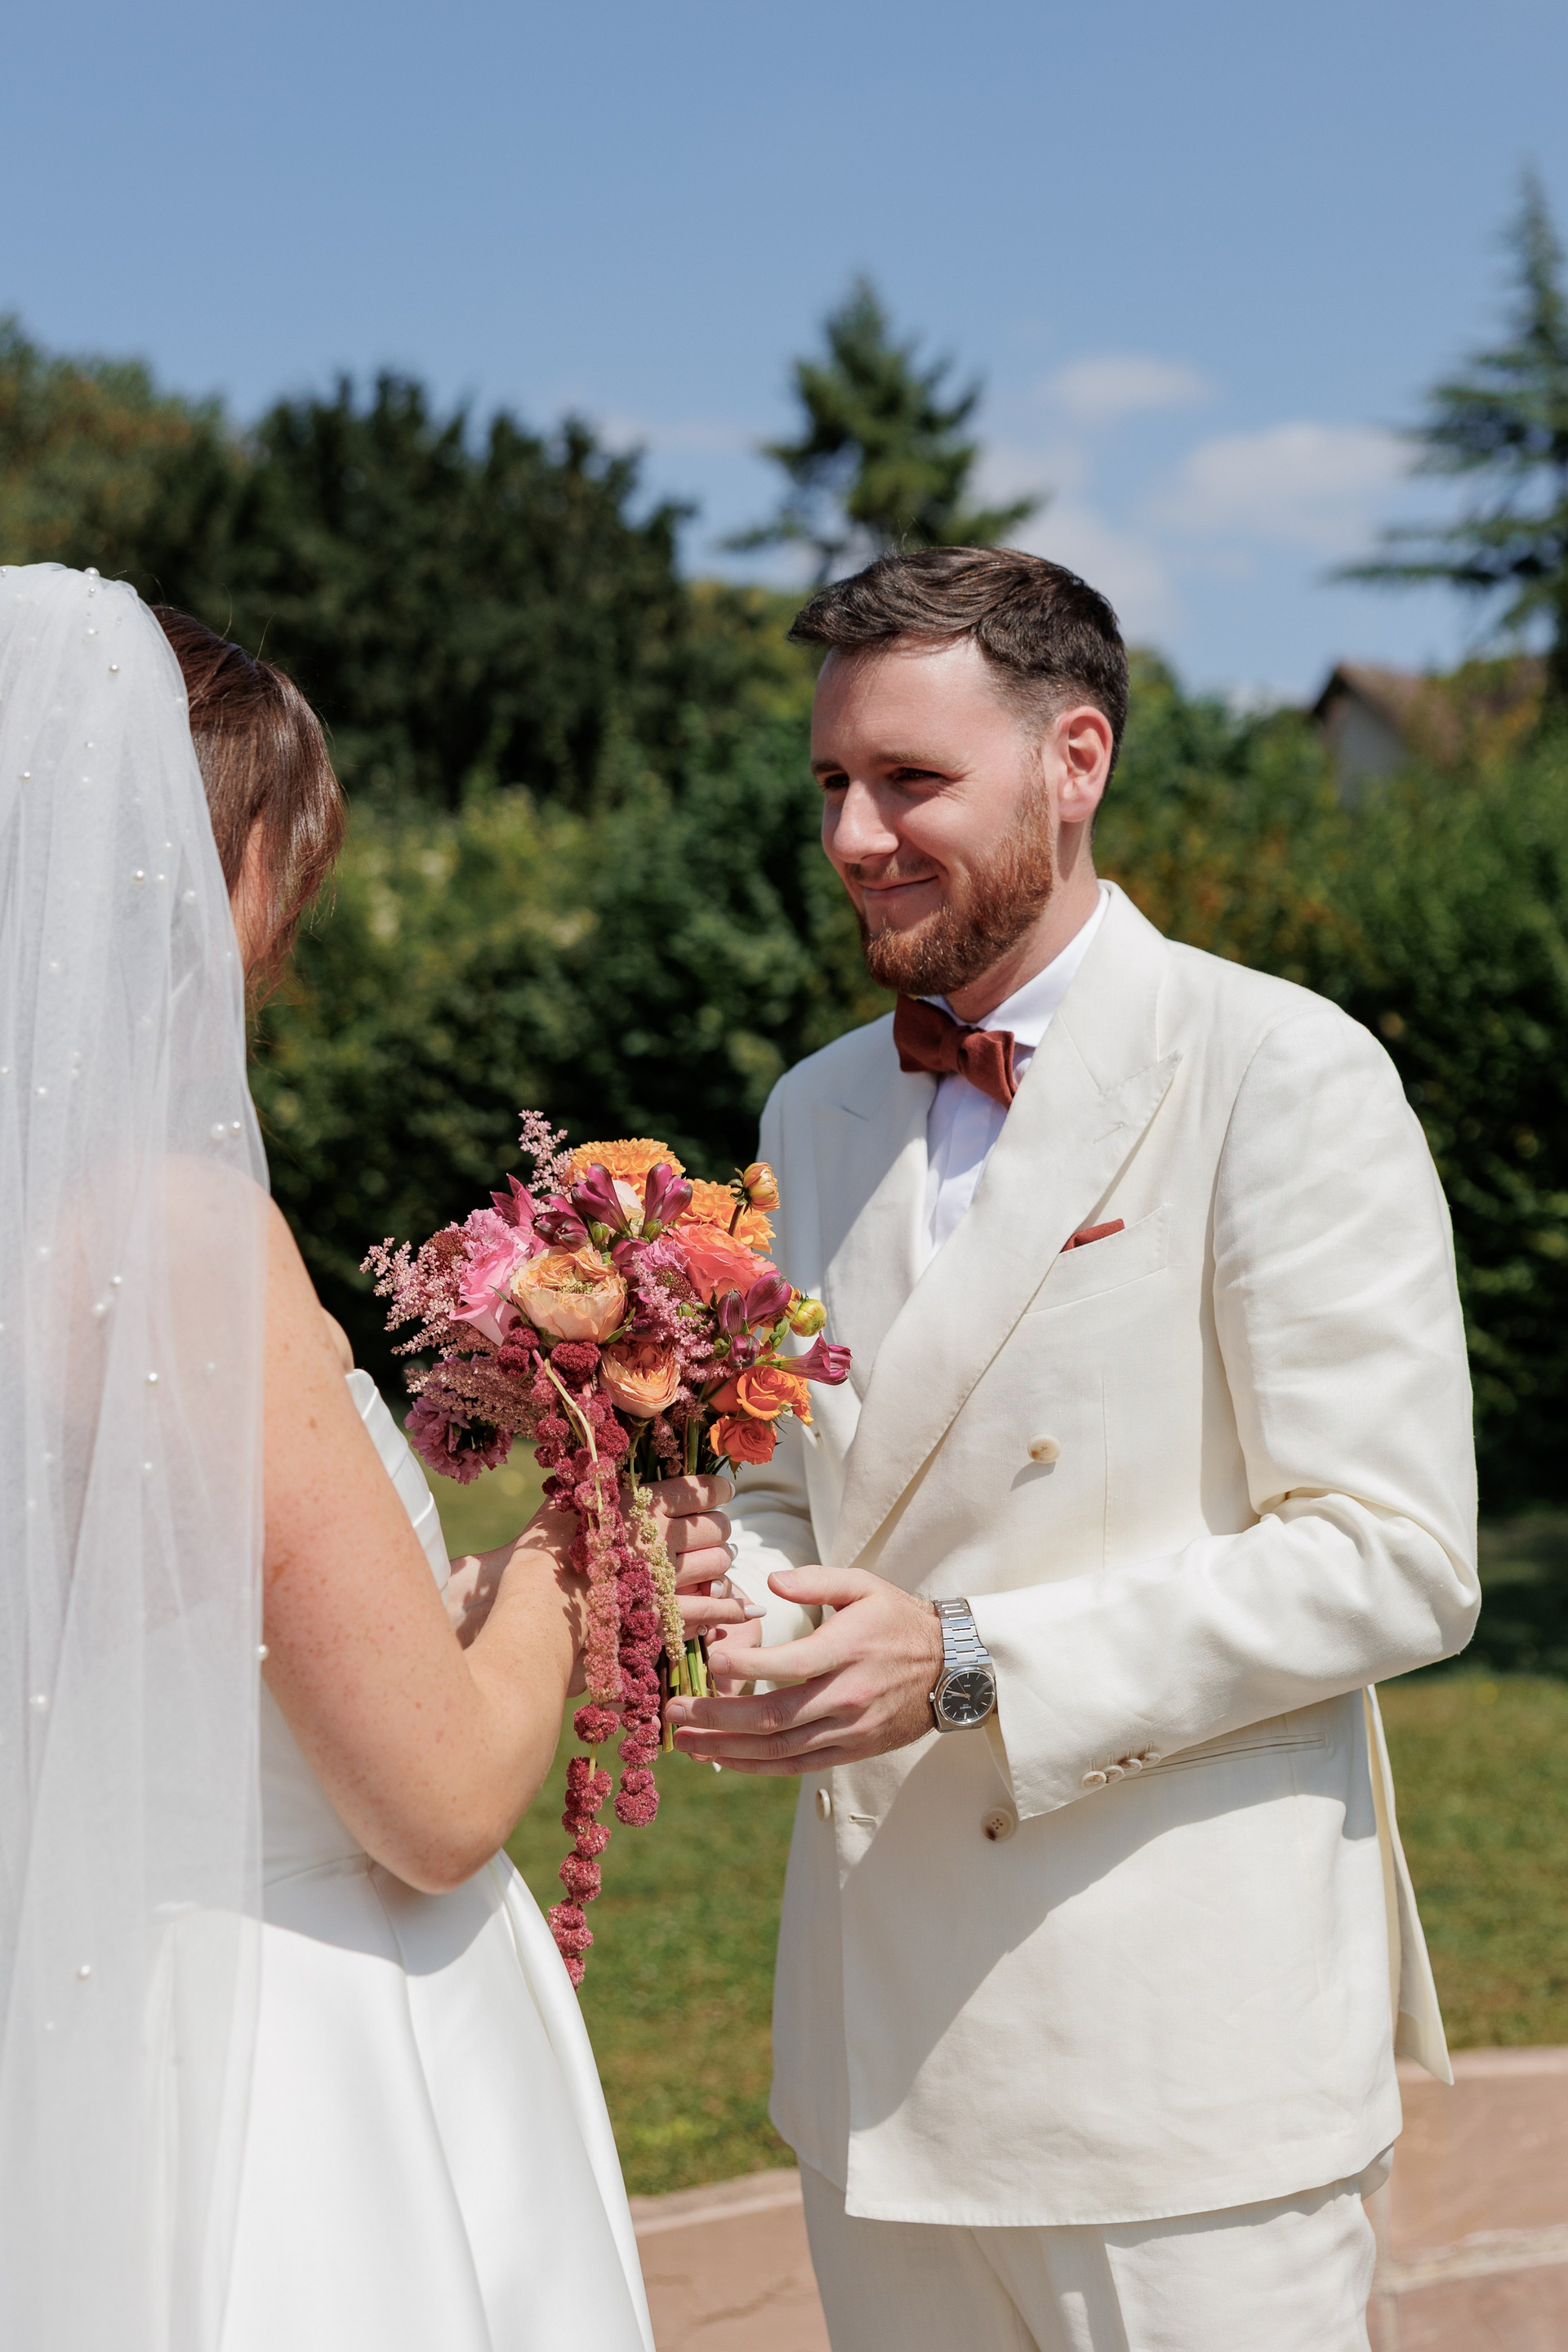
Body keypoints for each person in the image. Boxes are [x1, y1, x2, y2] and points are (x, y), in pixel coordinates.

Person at [667, 547, 1480, 2352]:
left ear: (1076, 760)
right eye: (831, 783)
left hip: (1179, 2082)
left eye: (911, 779)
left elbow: (1396, 1556)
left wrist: (964, 1660)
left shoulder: (1282, 1068)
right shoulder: (817, 1103)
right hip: (878, 2066)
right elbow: (790, 1482)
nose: (855, 835)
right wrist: (733, 1603)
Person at [0, 565, 740, 2352]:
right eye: (283, 864)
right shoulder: (170, 1238)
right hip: (298, 2078)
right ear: (188, 862)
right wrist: (582, 1548)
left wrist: (445, 1600)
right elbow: (437, 1799)